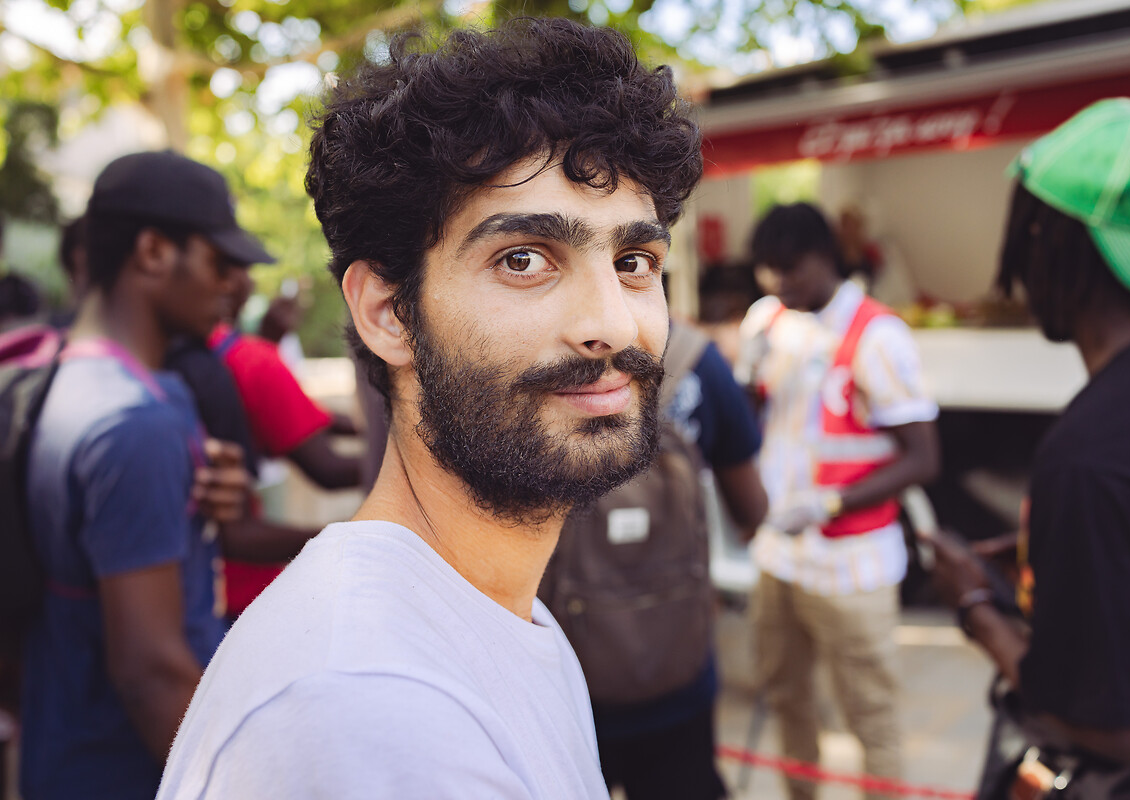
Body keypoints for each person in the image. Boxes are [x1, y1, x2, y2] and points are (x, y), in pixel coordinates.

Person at [157, 18, 703, 798]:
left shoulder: (495, 620)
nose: (613, 323)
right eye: (524, 260)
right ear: (388, 312)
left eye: (634, 261)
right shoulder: (373, 706)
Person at [927, 98, 1130, 799]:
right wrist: (1065, 562)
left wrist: (977, 612)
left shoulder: (1092, 457)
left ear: (1045, 238)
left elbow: (1110, 725)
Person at [20, 150, 267, 800]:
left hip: (62, 748)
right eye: (218, 261)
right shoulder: (133, 421)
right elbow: (151, 673)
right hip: (124, 771)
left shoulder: (79, 382)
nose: (232, 284)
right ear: (154, 251)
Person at [739, 202, 941, 800]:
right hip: (779, 556)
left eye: (791, 269)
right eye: (767, 270)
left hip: (852, 567)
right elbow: (755, 431)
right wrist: (746, 384)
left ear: (826, 257)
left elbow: (923, 458)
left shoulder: (877, 334)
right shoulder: (766, 321)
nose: (778, 284)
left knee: (869, 717)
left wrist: (829, 505)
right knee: (787, 701)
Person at [576, 318, 767, 800]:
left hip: (564, 681)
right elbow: (752, 507)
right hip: (675, 674)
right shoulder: (696, 360)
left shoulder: (532, 351)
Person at [207, 266, 361, 615]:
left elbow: (311, 417)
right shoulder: (251, 360)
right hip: (239, 597)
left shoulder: (178, 356)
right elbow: (326, 467)